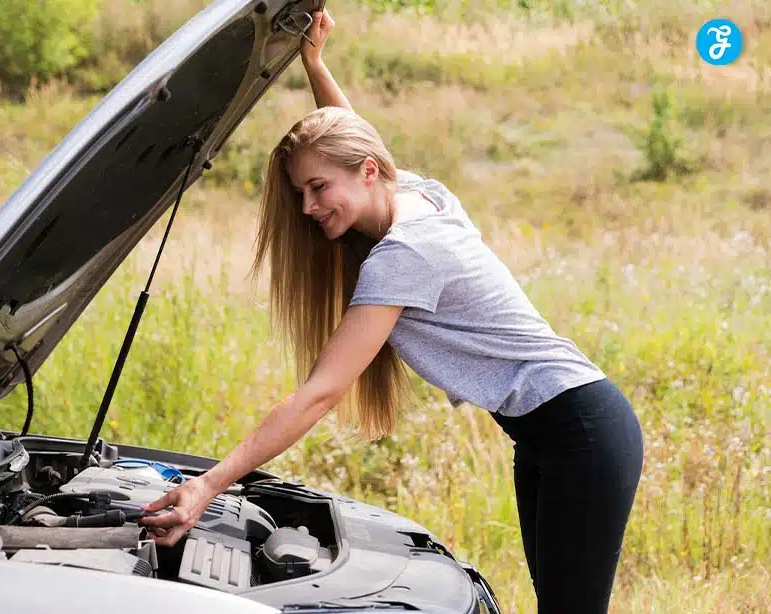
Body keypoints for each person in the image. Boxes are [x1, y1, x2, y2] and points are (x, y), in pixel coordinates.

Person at [140, 9, 643, 614]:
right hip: (549, 434)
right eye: (301, 191)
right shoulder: (416, 194)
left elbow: (320, 394)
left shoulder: (403, 255)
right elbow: (353, 144)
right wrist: (315, 66)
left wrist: (208, 485)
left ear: (368, 172)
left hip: (581, 433)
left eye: (317, 188)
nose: (306, 206)